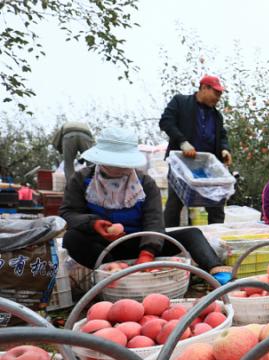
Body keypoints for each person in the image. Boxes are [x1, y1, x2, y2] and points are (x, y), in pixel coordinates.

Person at [59, 127, 232, 285]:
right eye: (112, 163)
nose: (118, 168)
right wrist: (93, 223)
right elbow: (68, 213)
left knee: (192, 234)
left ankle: (219, 275)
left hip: (142, 243)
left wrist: (148, 252)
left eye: (122, 163)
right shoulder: (81, 180)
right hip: (103, 249)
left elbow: (154, 221)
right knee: (71, 238)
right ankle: (113, 271)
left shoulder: (145, 183)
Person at [159, 75, 232, 227]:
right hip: (182, 164)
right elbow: (166, 121)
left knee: (217, 205)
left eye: (220, 94)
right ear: (204, 88)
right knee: (174, 204)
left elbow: (222, 135)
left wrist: (225, 149)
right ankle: (168, 238)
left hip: (207, 168)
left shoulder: (217, 116)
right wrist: (182, 142)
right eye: (216, 93)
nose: (218, 98)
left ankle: (215, 238)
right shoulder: (181, 102)